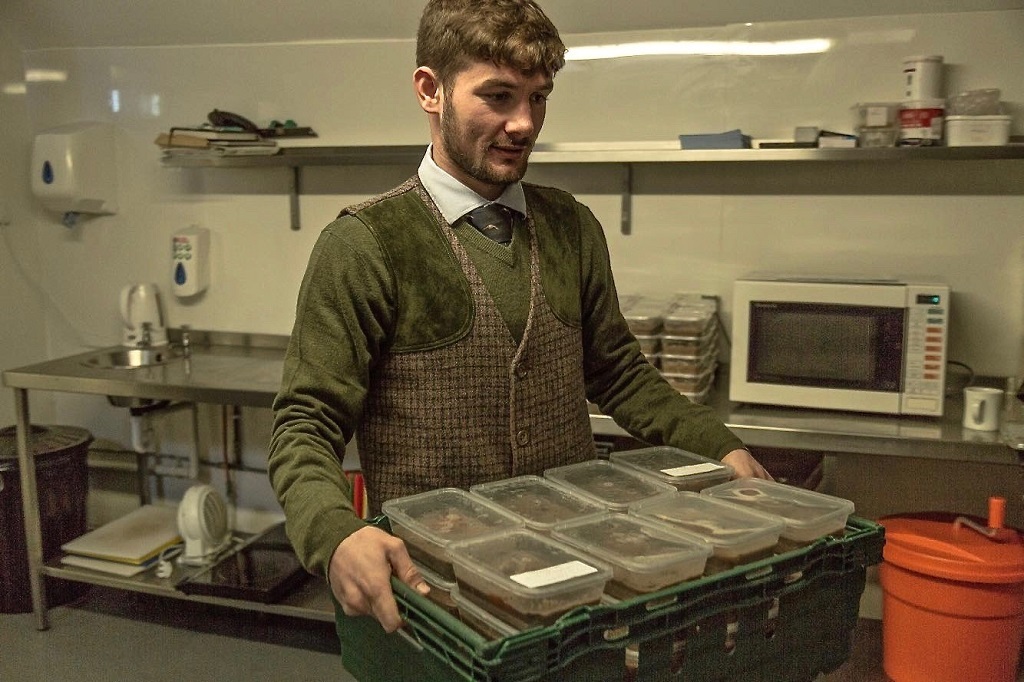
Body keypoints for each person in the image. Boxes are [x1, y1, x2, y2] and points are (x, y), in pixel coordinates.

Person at [268, 0, 771, 636]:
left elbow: (619, 374)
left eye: (539, 98)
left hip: (575, 575)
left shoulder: (573, 228)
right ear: (431, 90)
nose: (523, 123)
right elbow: (305, 423)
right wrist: (335, 533)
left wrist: (716, 443)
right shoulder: (366, 244)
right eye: (499, 96)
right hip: (433, 587)